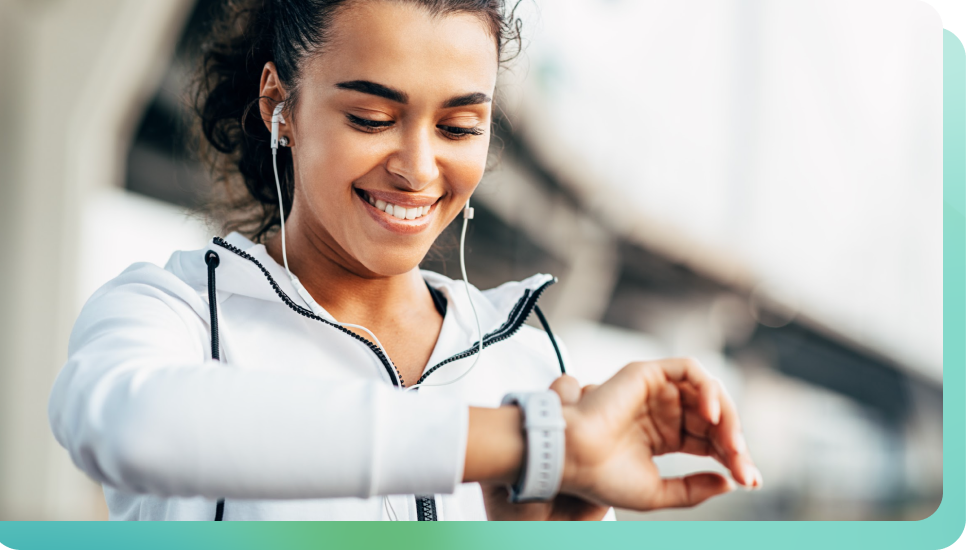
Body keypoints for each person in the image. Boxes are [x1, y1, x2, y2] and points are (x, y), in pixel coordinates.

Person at [48, 0, 762, 521]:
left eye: (458, 126)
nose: (418, 168)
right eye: (371, 118)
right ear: (279, 105)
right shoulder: (171, 309)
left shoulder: (526, 348)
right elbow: (133, 427)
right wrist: (525, 443)